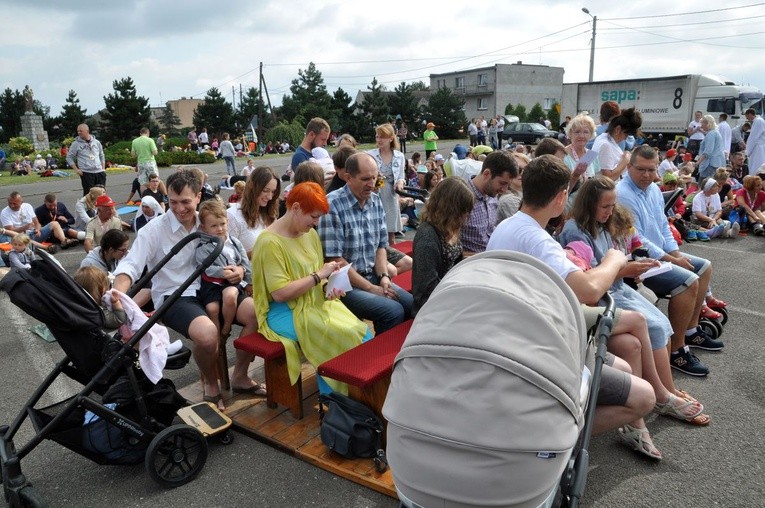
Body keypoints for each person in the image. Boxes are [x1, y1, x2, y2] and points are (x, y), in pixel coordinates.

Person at [486, 154, 658, 449]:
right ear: (561, 196)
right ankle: (549, 438)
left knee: (628, 368)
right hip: (538, 351)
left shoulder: (509, 227)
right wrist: (614, 260)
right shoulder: (537, 239)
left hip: (517, 335)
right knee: (645, 398)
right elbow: (590, 290)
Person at [559, 176, 709, 426]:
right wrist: (626, 270)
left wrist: (632, 267)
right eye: (605, 206)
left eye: (612, 205)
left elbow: (615, 259)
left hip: (617, 288)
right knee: (656, 325)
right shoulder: (575, 230)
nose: (610, 211)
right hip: (605, 295)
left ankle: (665, 390)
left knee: (661, 321)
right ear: (589, 204)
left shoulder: (600, 223)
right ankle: (664, 395)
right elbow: (588, 277)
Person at [114, 168, 261, 410]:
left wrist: (240, 271)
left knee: (258, 312)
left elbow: (233, 251)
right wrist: (118, 295)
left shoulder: (208, 222)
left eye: (186, 202)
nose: (180, 208)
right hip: (176, 294)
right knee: (207, 335)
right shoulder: (154, 229)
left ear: (198, 196)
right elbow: (130, 265)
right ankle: (211, 384)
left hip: (213, 287)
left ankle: (240, 376)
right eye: (172, 202)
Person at [252, 182, 371, 395]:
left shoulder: (310, 234)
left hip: (314, 302)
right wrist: (319, 276)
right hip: (284, 312)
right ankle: (334, 401)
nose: (316, 223)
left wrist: (330, 287)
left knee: (362, 333)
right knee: (335, 335)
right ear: (295, 208)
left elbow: (318, 278)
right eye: (313, 216)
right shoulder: (269, 242)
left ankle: (352, 395)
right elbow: (279, 294)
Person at [616, 145, 722, 377]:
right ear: (630, 167)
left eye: (651, 170)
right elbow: (638, 239)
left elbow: (663, 225)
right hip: (639, 258)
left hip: (661, 254)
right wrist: (669, 258)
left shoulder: (653, 189)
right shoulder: (622, 193)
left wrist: (675, 254)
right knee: (689, 281)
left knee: (704, 266)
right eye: (640, 169)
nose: (646, 175)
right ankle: (677, 351)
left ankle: (691, 330)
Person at [318, 152, 413, 334]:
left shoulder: (375, 201)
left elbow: (380, 247)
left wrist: (384, 276)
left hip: (373, 275)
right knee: (392, 311)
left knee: (413, 307)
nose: (372, 184)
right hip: (343, 284)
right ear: (348, 178)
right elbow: (335, 258)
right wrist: (371, 288)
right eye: (365, 179)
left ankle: (392, 355)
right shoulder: (332, 205)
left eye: (375, 177)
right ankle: (376, 357)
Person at [412, 177, 473, 315]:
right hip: (433, 307)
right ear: (449, 209)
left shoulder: (451, 227)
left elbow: (456, 265)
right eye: (463, 211)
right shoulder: (427, 236)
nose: (466, 216)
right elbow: (427, 289)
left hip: (450, 295)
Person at [195, 200, 252, 340]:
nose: (219, 229)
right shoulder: (204, 246)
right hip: (212, 283)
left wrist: (249, 281)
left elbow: (245, 262)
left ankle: (226, 328)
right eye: (214, 226)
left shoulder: (234, 243)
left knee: (230, 295)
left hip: (231, 281)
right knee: (212, 309)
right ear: (204, 227)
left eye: (222, 224)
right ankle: (217, 337)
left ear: (227, 221)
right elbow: (206, 268)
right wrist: (223, 272)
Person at [461, 151, 517, 256]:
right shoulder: (460, 198)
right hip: (468, 266)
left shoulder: (492, 196)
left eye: (508, 185)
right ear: (486, 174)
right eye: (502, 183)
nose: (504, 190)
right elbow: (445, 248)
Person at [368, 124, 406, 246]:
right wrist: (377, 181)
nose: (379, 140)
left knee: (391, 232)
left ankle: (393, 256)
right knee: (376, 229)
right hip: (375, 193)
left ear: (391, 138)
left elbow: (401, 176)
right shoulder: (371, 155)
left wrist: (400, 182)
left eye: (382, 137)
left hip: (391, 194)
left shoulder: (399, 156)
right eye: (377, 137)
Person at [1, 191, 73, 250]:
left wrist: (37, 229)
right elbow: (10, 231)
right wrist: (25, 227)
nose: (12, 205)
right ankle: (44, 247)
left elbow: (37, 223)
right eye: (10, 203)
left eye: (15, 203)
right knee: (19, 239)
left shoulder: (27, 206)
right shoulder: (5, 212)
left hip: (33, 234)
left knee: (54, 223)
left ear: (21, 202)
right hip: (19, 238)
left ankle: (64, 241)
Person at [591, 108, 643, 180]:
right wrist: (625, 160)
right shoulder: (606, 145)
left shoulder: (602, 138)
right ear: (618, 129)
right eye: (626, 135)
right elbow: (607, 178)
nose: (625, 138)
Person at [564, 114, 601, 209]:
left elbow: (597, 182)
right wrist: (575, 176)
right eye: (577, 132)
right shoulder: (563, 155)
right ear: (570, 134)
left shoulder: (592, 155)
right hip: (569, 209)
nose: (581, 136)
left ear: (591, 134)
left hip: (588, 207)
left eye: (586, 132)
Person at [67, 124, 106, 195]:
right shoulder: (75, 144)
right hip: (87, 173)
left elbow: (101, 155)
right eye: (78, 131)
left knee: (101, 194)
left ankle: (100, 206)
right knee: (89, 195)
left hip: (99, 172)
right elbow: (69, 157)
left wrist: (103, 168)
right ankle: (88, 206)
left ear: (87, 131)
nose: (79, 133)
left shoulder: (96, 142)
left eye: (81, 131)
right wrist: (76, 170)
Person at [496, 152, 529, 223]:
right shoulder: (509, 200)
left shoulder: (524, 195)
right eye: (518, 170)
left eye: (526, 170)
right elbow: (524, 227)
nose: (522, 173)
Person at [696, 115, 726, 181]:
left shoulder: (711, 134)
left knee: (703, 185)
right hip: (718, 162)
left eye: (702, 123)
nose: (701, 126)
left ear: (708, 123)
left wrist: (698, 162)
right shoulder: (715, 132)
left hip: (710, 164)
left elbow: (708, 151)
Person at [130, 127, 159, 193]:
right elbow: (155, 152)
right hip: (150, 162)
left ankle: (144, 197)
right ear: (148, 133)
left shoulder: (134, 141)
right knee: (154, 180)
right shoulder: (150, 140)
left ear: (140, 133)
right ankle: (155, 195)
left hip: (141, 163)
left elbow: (133, 154)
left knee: (143, 182)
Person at [745, 108, 765, 175]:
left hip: (758, 147)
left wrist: (748, 151)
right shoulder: (759, 121)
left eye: (747, 117)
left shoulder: (758, 121)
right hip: (760, 146)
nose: (747, 119)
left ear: (750, 114)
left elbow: (754, 136)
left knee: (756, 164)